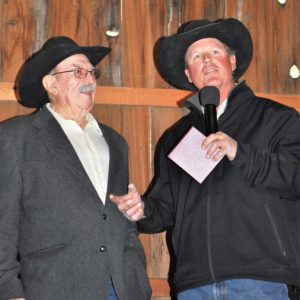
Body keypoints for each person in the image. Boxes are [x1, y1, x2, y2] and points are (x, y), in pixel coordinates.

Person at [110, 18, 300, 299]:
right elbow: (166, 208)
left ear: (232, 62)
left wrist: (241, 152)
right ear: (189, 74)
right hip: (194, 285)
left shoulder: (276, 118)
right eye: (197, 57)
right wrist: (142, 210)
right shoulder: (175, 139)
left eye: (215, 52)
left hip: (260, 280)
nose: (207, 61)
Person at [0, 36, 151, 300]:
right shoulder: (16, 136)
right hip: (55, 287)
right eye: (78, 71)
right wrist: (9, 291)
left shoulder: (116, 142)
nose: (90, 79)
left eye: (93, 73)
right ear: (51, 83)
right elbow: (2, 224)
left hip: (124, 288)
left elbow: (118, 219)